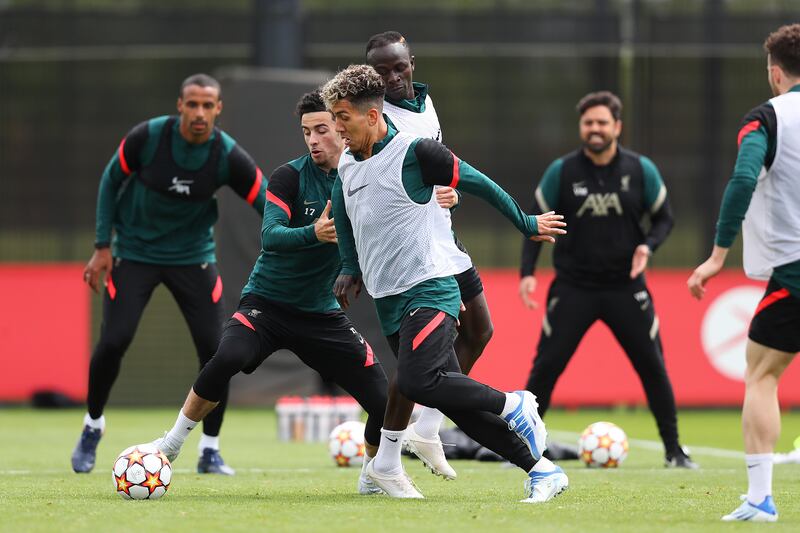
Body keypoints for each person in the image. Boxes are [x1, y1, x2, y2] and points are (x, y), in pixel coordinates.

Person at [323, 64, 569, 503]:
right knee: (448, 396)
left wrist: (526, 221)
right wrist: (348, 264)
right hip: (388, 296)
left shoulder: (415, 153)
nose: (336, 127)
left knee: (417, 382)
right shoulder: (348, 161)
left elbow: (481, 183)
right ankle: (542, 470)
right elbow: (343, 208)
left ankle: (515, 404)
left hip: (431, 287)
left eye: (343, 117)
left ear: (373, 116)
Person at [152, 90, 392, 496]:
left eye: (321, 130)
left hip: (320, 315)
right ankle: (171, 445)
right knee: (227, 356)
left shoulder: (365, 178)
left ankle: (372, 473)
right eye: (306, 132)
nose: (313, 139)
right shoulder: (289, 177)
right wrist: (313, 233)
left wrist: (444, 201)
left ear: (342, 127)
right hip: (267, 304)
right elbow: (271, 236)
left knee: (384, 401)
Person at [72, 73, 267, 475]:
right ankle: (93, 426)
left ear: (218, 109)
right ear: (179, 105)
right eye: (192, 104)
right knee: (114, 340)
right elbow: (111, 182)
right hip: (135, 254)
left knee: (218, 352)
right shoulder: (148, 138)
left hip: (193, 259)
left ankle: (210, 450)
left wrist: (297, 237)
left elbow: (267, 202)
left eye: (207, 105)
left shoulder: (225, 155)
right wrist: (101, 246)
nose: (199, 112)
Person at [520, 91, 697, 469]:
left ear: (617, 126)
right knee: (546, 367)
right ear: (581, 128)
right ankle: (524, 449)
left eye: (602, 123)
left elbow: (665, 218)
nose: (595, 129)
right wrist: (527, 274)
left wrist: (648, 246)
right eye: (588, 123)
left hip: (625, 287)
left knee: (653, 365)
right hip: (573, 287)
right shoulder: (562, 172)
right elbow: (534, 222)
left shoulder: (640, 169)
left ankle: (674, 451)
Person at [364, 31, 495, 479]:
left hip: (446, 236)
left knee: (480, 330)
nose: (393, 77)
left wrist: (447, 191)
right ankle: (386, 451)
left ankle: (428, 427)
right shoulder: (381, 120)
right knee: (417, 364)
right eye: (382, 72)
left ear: (412, 63)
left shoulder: (424, 103)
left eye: (399, 67)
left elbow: (439, 168)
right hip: (417, 250)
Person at [687, 24, 800, 523]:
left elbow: (742, 179)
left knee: (761, 373)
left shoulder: (768, 119)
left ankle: (760, 499)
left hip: (794, 273)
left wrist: (717, 255)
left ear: (775, 72)